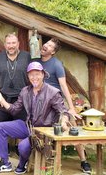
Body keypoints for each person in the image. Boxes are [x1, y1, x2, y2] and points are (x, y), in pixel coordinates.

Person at [0, 62, 70, 174]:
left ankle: (22, 164)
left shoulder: (52, 92)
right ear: (28, 76)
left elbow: (63, 111)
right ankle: (4, 162)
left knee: (22, 146)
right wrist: (1, 99)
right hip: (28, 126)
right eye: (31, 75)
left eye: (37, 74)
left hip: (43, 132)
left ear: (43, 74)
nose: (34, 77)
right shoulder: (25, 91)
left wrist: (64, 122)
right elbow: (14, 109)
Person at [39, 38, 91, 173]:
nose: (46, 45)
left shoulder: (56, 64)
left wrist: (71, 107)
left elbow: (63, 86)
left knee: (72, 128)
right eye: (46, 43)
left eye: (50, 45)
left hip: (57, 102)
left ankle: (84, 160)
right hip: (41, 104)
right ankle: (45, 164)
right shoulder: (36, 62)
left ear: (53, 52)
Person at [0, 33, 30, 136]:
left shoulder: (26, 56)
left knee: (23, 125)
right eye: (8, 43)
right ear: (5, 44)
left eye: (13, 43)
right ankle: (3, 147)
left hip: (21, 97)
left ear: (18, 44)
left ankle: (19, 148)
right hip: (2, 95)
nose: (11, 46)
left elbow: (33, 75)